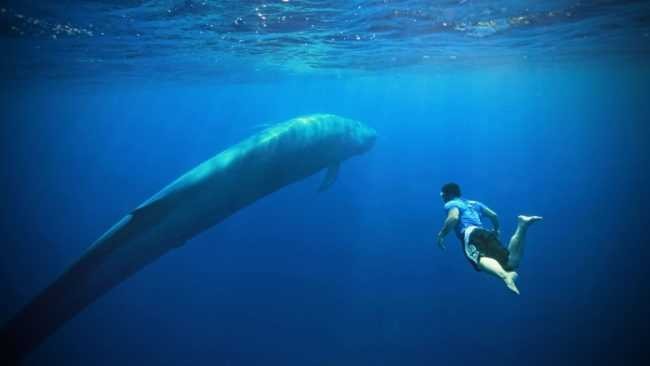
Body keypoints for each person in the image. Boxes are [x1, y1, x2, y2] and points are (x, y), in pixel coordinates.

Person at [436, 182, 542, 295]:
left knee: (478, 259)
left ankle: (505, 277)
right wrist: (496, 230)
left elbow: (454, 217)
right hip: (484, 232)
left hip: (470, 233)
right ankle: (522, 226)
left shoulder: (451, 203)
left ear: (448, 194)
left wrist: (441, 235)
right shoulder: (474, 203)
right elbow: (493, 215)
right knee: (510, 263)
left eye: (442, 195)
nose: (442, 198)